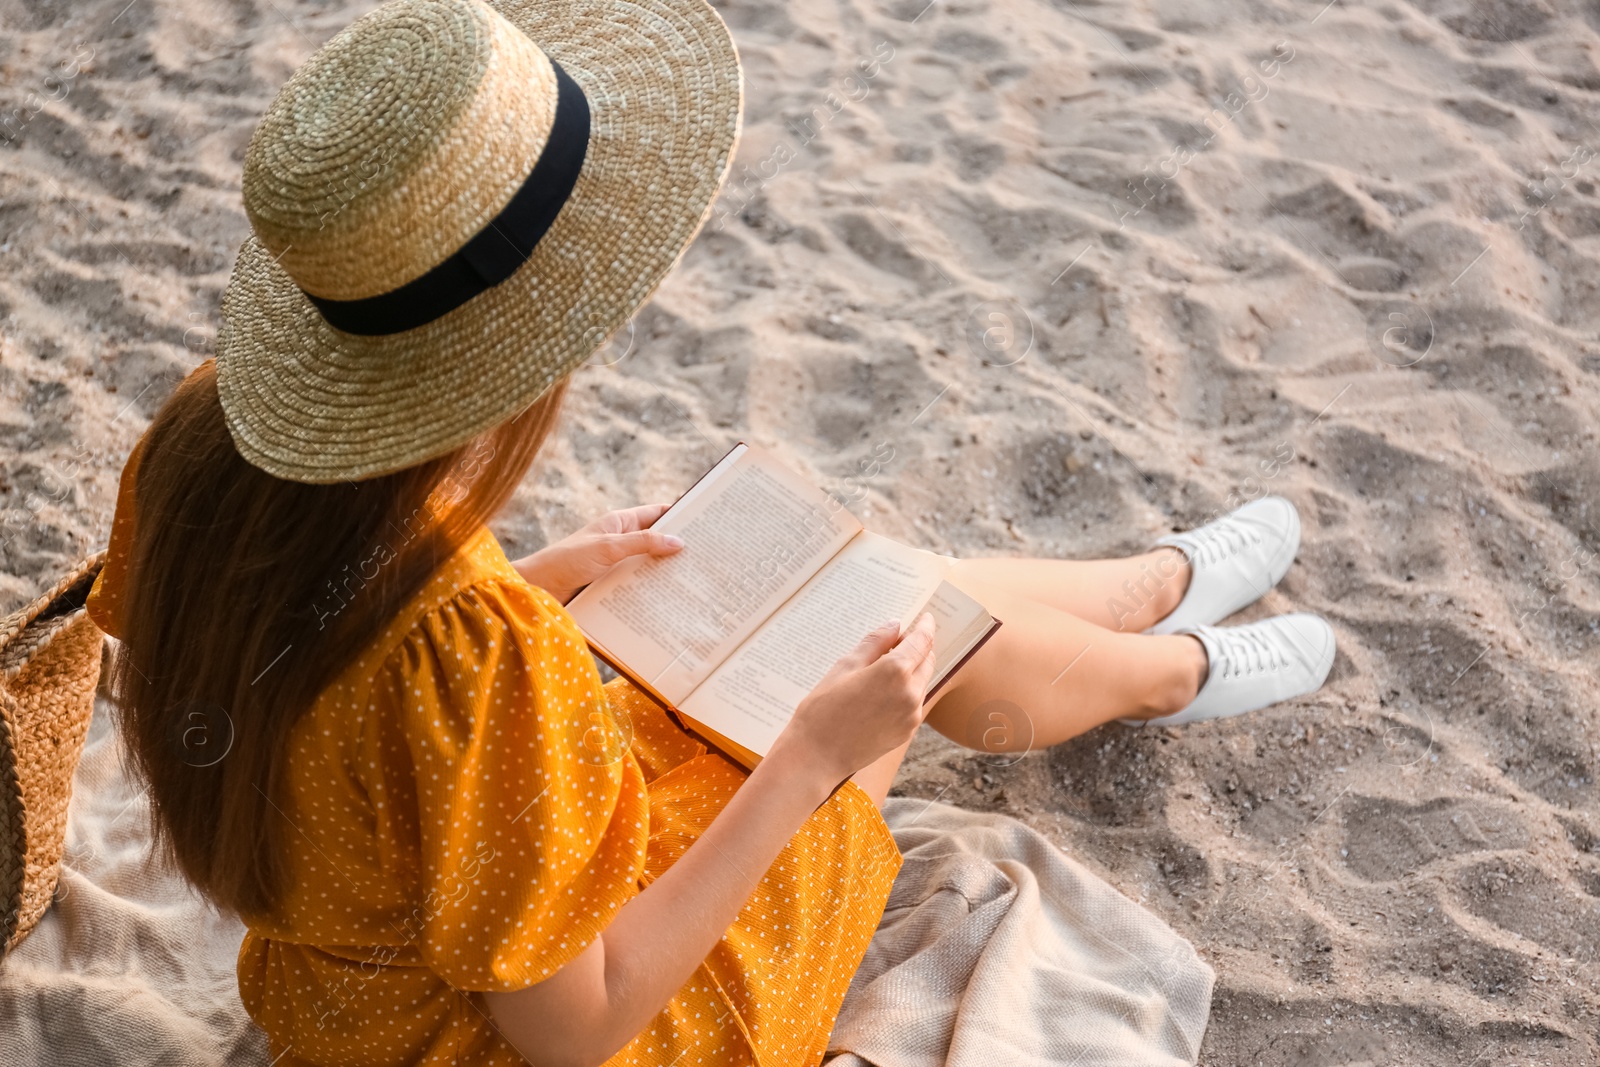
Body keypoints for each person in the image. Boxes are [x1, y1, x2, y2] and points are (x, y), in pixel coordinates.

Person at [86, 1, 1335, 1064]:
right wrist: (808, 762)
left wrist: (541, 573)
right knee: (903, 623)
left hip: (349, 977)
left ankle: (1153, 598)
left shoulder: (202, 441)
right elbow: (574, 1027)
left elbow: (294, 656)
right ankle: (1172, 661)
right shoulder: (474, 659)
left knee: (890, 601)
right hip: (527, 1033)